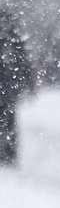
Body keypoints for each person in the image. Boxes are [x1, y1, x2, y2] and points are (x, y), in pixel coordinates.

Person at [0, 9, 32, 166]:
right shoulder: (7, 21)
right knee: (8, 117)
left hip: (6, 83)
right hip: (7, 83)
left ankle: (8, 152)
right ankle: (8, 152)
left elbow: (20, 55)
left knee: (7, 116)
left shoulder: (6, 21)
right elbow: (21, 55)